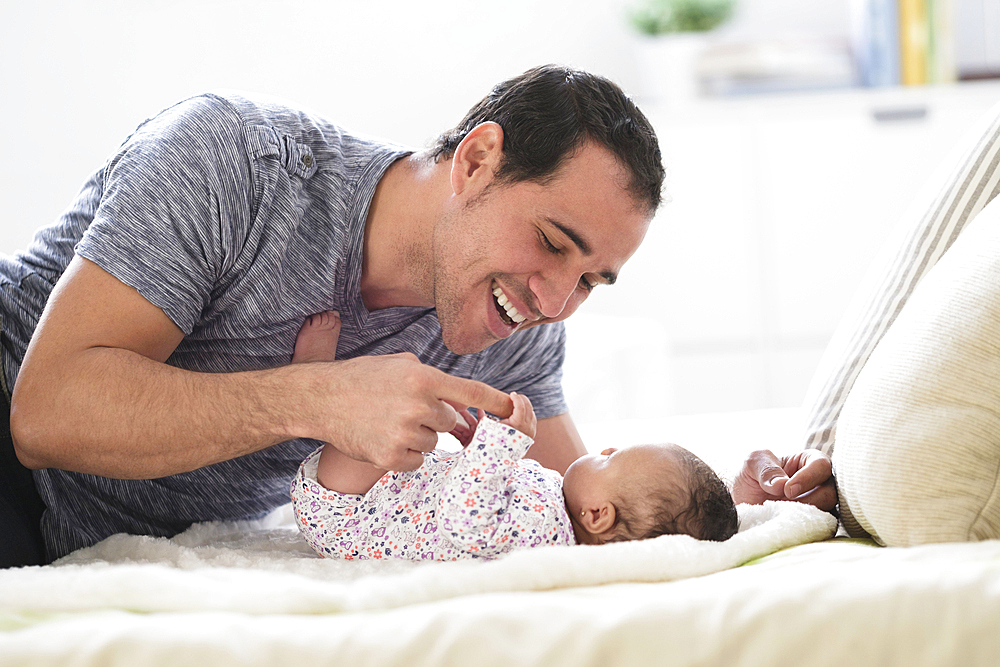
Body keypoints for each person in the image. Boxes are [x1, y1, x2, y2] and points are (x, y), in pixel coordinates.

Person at [0, 64, 833, 569]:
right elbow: (45, 412)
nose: (552, 301)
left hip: (79, 538)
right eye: (551, 241)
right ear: (477, 160)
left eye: (591, 281)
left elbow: (588, 517)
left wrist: (737, 508)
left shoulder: (516, 332)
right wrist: (318, 396)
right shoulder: (234, 163)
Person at [290, 311, 737, 560]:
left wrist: (501, 446)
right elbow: (488, 491)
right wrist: (477, 449)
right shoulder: (556, 506)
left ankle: (312, 384)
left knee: (377, 416)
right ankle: (320, 391)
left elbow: (467, 524)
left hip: (354, 515)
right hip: (388, 496)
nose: (603, 450)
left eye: (611, 460)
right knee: (398, 417)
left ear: (598, 515)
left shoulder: (544, 536)